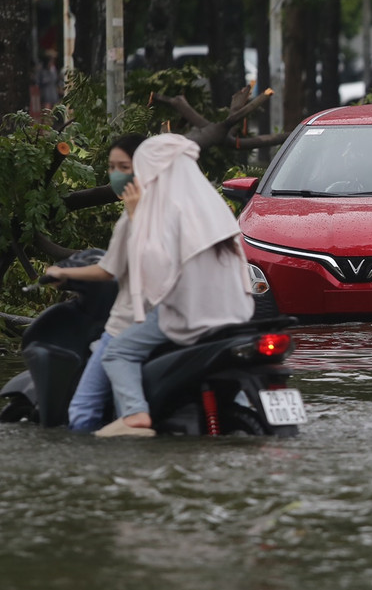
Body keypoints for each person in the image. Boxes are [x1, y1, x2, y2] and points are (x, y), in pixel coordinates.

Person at [94, 134, 254, 436]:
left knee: (118, 352)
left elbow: (150, 274)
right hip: (236, 318)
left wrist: (135, 216)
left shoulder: (165, 212)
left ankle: (135, 414)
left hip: (189, 317)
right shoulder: (215, 208)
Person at [42, 134, 146, 431]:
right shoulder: (179, 207)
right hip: (184, 320)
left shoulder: (138, 215)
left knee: (83, 408)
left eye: (123, 166)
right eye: (112, 166)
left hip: (132, 321)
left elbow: (109, 271)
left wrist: (63, 274)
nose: (115, 173)